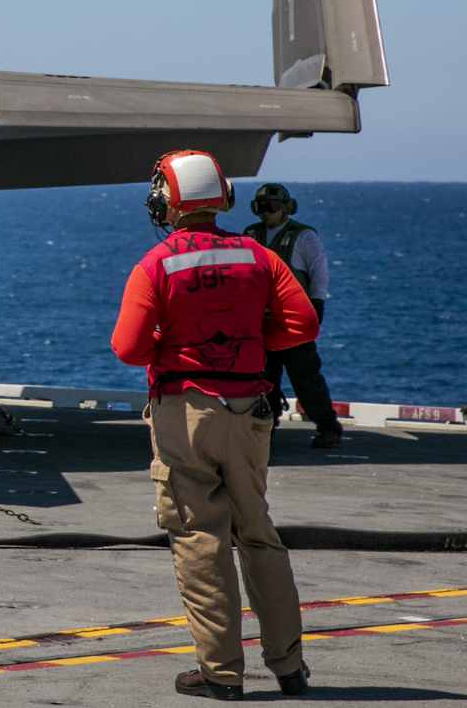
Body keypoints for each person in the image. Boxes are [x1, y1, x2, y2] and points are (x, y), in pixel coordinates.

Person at [111, 150, 318, 700]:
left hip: (187, 414)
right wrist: (247, 348)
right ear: (222, 197)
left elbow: (128, 348)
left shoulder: (156, 264)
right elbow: (301, 323)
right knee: (259, 534)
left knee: (200, 537)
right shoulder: (257, 256)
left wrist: (181, 347)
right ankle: (290, 667)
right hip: (250, 410)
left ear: (169, 201)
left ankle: (222, 674)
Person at [244, 183, 343, 448]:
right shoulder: (250, 235)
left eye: (272, 206)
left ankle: (328, 427)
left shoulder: (303, 237)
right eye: (261, 207)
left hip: (292, 320)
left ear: (286, 207)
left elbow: (318, 273)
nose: (266, 212)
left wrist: (317, 304)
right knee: (264, 380)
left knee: (306, 378)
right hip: (261, 322)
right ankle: (266, 429)